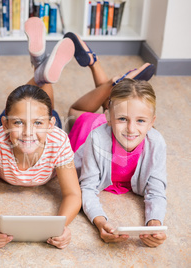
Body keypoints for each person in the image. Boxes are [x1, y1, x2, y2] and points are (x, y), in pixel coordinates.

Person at [0, 17, 82, 249]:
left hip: (47, 129)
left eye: (39, 123)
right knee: (32, 106)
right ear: (6, 124)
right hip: (18, 126)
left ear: (49, 125)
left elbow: (72, 194)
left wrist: (62, 225)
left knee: (43, 105)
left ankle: (41, 67)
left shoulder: (57, 139)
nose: (28, 133)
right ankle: (41, 68)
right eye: (18, 123)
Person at [64, 32, 167, 248]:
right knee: (76, 112)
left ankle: (115, 85)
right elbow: (88, 187)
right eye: (123, 119)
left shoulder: (156, 142)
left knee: (121, 105)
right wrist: (100, 221)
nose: (132, 129)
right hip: (92, 128)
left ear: (152, 123)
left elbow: (156, 190)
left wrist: (154, 222)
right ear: (108, 119)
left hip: (112, 120)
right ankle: (112, 83)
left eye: (141, 121)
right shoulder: (96, 137)